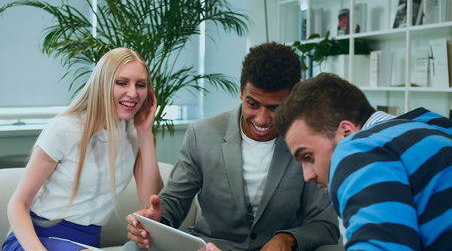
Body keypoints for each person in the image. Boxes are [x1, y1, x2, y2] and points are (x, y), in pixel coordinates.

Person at [125, 42, 340, 251]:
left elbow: (325, 224)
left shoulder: (311, 142)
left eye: (275, 107)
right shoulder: (202, 134)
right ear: (241, 92)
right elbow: (175, 202)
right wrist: (157, 218)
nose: (262, 119)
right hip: (209, 247)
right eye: (252, 104)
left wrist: (288, 238)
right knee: (135, 247)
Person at [2, 48, 164, 251]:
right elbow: (17, 204)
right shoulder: (65, 128)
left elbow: (151, 201)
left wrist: (146, 134)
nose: (132, 93)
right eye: (122, 83)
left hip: (86, 244)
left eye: (140, 85)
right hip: (35, 239)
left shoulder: (134, 134)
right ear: (103, 85)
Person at [274, 72, 452, 251]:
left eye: (308, 157)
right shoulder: (434, 126)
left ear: (346, 132)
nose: (308, 175)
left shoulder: (358, 148)